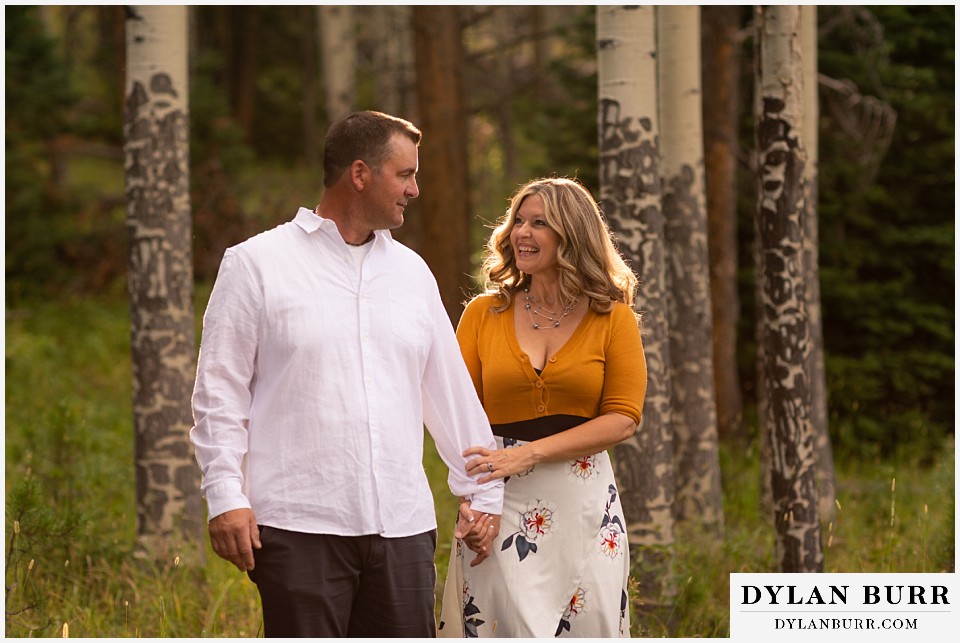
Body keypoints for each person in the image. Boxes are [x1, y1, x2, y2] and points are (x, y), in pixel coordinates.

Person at [190, 110, 503, 638]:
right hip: (297, 524)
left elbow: (448, 390)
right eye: (404, 175)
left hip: (403, 528)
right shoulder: (255, 264)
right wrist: (225, 495)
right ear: (360, 174)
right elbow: (219, 393)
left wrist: (482, 491)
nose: (416, 189)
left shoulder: (412, 273)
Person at [438, 177, 647, 638]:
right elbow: (459, 415)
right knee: (503, 626)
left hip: (583, 502)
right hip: (497, 497)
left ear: (571, 235)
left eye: (540, 223)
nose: (522, 233)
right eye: (519, 221)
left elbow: (623, 418)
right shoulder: (481, 314)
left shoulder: (613, 319)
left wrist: (527, 454)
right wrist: (474, 500)